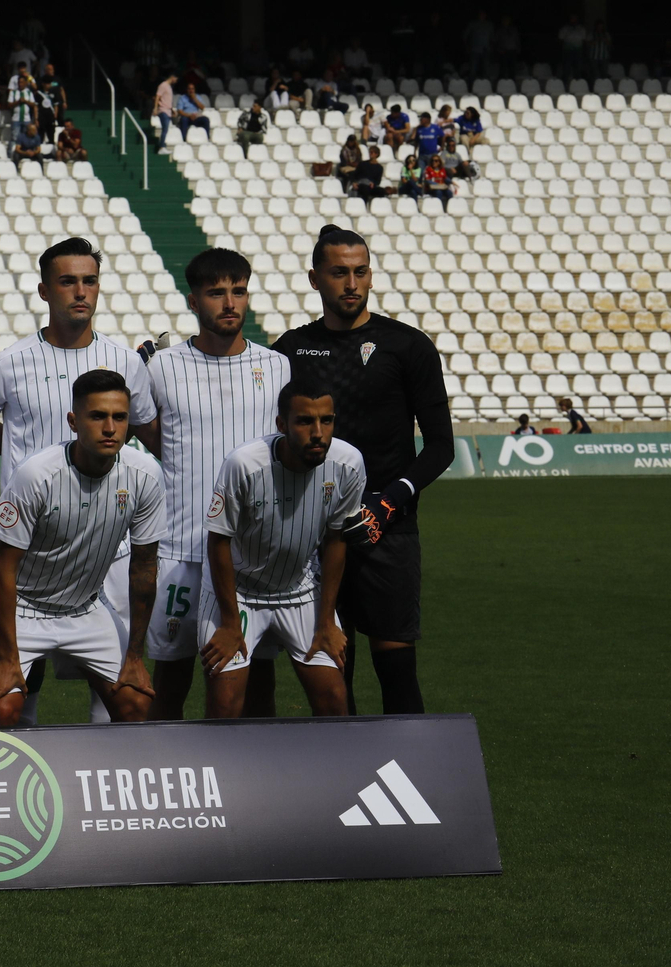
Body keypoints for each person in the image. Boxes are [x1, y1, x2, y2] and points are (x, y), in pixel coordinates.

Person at [0, 237, 161, 724]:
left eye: (89, 280)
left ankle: (104, 789)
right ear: (44, 290)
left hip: (106, 553)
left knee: (115, 698)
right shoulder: (8, 362)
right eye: (68, 281)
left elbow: (143, 431)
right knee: (19, 693)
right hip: (29, 546)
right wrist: (28, 467)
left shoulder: (127, 362)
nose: (80, 291)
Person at [274, 225, 453, 716]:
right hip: (313, 532)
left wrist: (388, 502)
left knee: (396, 668)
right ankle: (342, 784)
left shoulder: (407, 346)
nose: (351, 283)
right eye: (338, 273)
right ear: (315, 279)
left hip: (387, 528)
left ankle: (411, 784)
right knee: (334, 671)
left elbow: (441, 446)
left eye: (360, 271)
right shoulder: (290, 350)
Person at [142, 248, 290, 719]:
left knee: (255, 685)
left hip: (253, 556)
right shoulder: (162, 368)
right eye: (216, 293)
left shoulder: (278, 366)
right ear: (193, 301)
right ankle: (170, 783)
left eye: (238, 291)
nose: (229, 303)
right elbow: (154, 438)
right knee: (170, 682)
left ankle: (251, 784)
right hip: (181, 551)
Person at [0, 370, 163, 728]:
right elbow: (4, 567)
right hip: (21, 606)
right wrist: (8, 659)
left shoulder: (145, 475)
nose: (110, 428)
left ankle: (103, 780)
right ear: (74, 422)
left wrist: (135, 657)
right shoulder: (36, 475)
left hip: (85, 606)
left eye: (120, 417)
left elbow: (144, 566)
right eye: (97, 416)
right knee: (3, 709)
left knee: (135, 703)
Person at [198, 380, 365, 718]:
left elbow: (336, 540)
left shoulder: (349, 464)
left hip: (300, 591)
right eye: (305, 421)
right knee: (226, 704)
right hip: (239, 593)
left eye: (327, 420)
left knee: (334, 698)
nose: (318, 432)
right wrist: (230, 624)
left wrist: (328, 623)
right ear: (281, 424)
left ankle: (333, 771)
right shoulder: (244, 464)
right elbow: (218, 542)